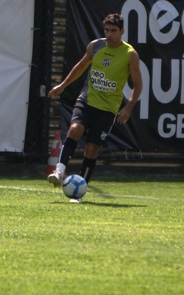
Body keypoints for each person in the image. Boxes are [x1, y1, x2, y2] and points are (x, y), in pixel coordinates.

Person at [47, 13, 143, 202]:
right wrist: (62, 86)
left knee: (91, 149)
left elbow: (138, 84)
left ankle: (79, 190)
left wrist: (129, 106)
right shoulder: (95, 46)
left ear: (122, 31)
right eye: (107, 30)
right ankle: (59, 172)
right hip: (87, 100)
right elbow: (81, 67)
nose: (109, 34)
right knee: (75, 130)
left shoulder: (130, 54)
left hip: (108, 108)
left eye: (113, 31)